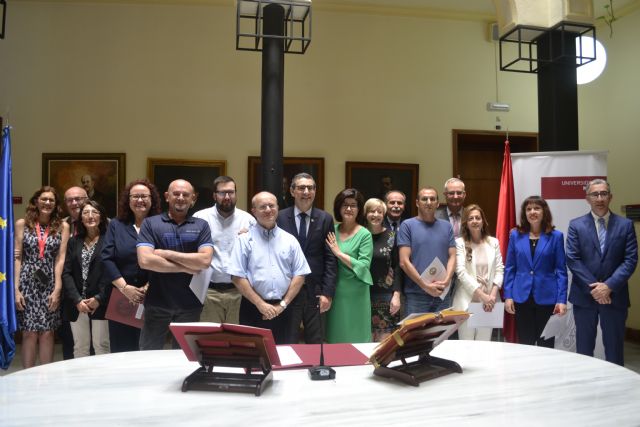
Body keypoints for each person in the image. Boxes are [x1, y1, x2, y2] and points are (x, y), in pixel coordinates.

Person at [566, 179, 638, 366]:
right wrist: (597, 289)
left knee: (615, 351)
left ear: (610, 197)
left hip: (615, 296)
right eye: (594, 194)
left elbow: (630, 260)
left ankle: (616, 392)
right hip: (584, 297)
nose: (599, 198)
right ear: (587, 198)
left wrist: (608, 286)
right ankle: (586, 389)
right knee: (583, 350)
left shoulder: (626, 225)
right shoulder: (576, 225)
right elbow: (573, 259)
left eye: (603, 193)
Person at [136, 179, 213, 350]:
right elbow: (145, 261)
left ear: (193, 198)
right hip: (157, 303)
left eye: (185, 194)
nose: (180, 197)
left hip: (190, 305)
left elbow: (205, 261)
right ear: (167, 197)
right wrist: (187, 267)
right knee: (148, 356)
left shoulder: (201, 226)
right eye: (176, 194)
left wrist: (165, 253)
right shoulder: (150, 223)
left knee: (185, 358)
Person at [227, 192, 310, 344]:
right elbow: (237, 277)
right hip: (252, 308)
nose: (268, 209)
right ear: (254, 211)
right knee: (252, 356)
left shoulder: (290, 240)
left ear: (277, 208)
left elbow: (300, 274)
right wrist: (260, 304)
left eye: (271, 205)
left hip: (284, 309)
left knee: (285, 355)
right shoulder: (244, 240)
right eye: (262, 206)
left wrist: (282, 305)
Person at [101, 179, 162, 352]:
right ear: (128, 200)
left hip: (153, 296)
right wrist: (125, 287)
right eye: (135, 196)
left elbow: (164, 259)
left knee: (149, 347)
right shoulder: (116, 225)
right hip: (121, 296)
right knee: (122, 349)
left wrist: (147, 287)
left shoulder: (161, 225)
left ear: (153, 200)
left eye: (144, 196)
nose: (140, 200)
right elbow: (106, 258)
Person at [276, 173, 337, 343]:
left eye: (310, 188)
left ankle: (315, 370)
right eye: (301, 188)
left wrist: (327, 293)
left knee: (316, 341)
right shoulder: (280, 218)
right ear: (292, 191)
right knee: (288, 340)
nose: (306, 192)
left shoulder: (325, 219)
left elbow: (330, 259)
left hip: (315, 292)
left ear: (315, 192)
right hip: (287, 290)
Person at [14, 186, 70, 368]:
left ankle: (47, 379)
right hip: (26, 283)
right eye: (44, 199)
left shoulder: (63, 226)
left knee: (48, 332)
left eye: (51, 200)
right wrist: (15, 289)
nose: (47, 203)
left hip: (50, 283)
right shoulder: (22, 224)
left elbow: (61, 258)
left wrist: (58, 288)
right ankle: (27, 376)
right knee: (29, 332)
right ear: (36, 201)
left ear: (56, 204)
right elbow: (18, 257)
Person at [503, 196, 568, 348]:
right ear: (524, 213)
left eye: (537, 208)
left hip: (547, 298)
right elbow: (510, 268)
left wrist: (561, 300)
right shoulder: (515, 236)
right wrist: (508, 296)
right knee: (525, 344)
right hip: (522, 297)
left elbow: (561, 270)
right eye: (528, 209)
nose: (533, 212)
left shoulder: (556, 237)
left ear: (544, 211)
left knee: (546, 344)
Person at [193, 176, 256, 324]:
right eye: (222, 193)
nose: (227, 197)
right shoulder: (200, 218)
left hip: (239, 292)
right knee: (211, 340)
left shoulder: (249, 220)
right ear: (214, 195)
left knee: (237, 340)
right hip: (209, 292)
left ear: (236, 194)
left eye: (231, 192)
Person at [62, 200, 110, 357]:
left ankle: (102, 381)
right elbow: (66, 273)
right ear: (80, 218)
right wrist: (76, 299)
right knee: (80, 347)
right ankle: (80, 382)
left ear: (102, 217)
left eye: (94, 212)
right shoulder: (73, 242)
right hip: (78, 303)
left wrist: (99, 298)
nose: (90, 216)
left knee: (101, 345)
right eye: (86, 213)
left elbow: (111, 272)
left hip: (100, 302)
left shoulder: (109, 240)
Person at [325, 188, 373, 343]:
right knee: (334, 333)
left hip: (356, 292)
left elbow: (364, 266)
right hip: (335, 290)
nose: (349, 209)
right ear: (339, 207)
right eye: (345, 205)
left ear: (359, 209)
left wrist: (339, 253)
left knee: (356, 334)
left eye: (353, 205)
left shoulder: (364, 234)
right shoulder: (332, 229)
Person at [398, 187, 456, 315]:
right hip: (416, 295)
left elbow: (453, 256)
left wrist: (446, 281)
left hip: (442, 293)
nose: (428, 202)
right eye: (424, 199)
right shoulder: (407, 225)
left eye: (432, 199)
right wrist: (425, 286)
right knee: (416, 335)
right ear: (417, 203)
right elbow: (404, 261)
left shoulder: (446, 226)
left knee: (442, 334)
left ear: (437, 203)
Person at [453, 204, 504, 340]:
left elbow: (499, 269)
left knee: (484, 345)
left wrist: (491, 296)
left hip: (489, 304)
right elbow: (461, 272)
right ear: (466, 223)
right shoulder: (460, 243)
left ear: (483, 221)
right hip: (467, 302)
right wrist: (483, 296)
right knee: (466, 345)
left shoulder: (493, 242)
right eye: (471, 218)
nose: (475, 221)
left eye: (478, 218)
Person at [364, 198, 401, 342]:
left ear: (384, 214)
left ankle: (381, 366)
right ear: (366, 214)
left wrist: (396, 295)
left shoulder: (391, 236)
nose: (376, 215)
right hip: (362, 294)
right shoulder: (360, 234)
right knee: (365, 338)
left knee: (384, 340)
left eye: (379, 212)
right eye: (372, 211)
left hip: (386, 295)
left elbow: (397, 266)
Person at [59, 186, 89, 359]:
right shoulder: (60, 226)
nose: (75, 203)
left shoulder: (105, 224)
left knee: (98, 343)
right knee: (70, 341)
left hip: (94, 292)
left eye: (79, 198)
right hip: (68, 292)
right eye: (70, 200)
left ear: (87, 199)